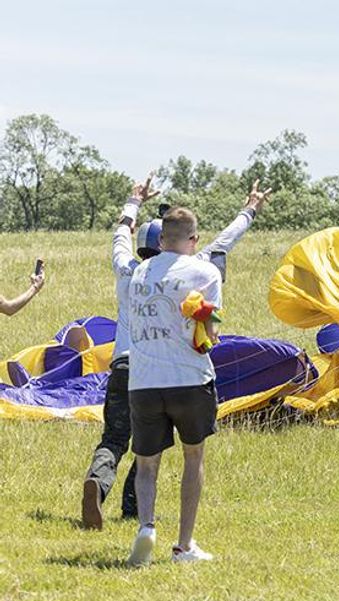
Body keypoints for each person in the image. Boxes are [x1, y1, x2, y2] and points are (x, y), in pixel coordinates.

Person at [81, 177, 266, 531]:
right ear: (173, 242)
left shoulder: (130, 272)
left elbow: (120, 237)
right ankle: (135, 510)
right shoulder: (193, 267)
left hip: (123, 367)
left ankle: (98, 482)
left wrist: (133, 203)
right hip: (167, 369)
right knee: (154, 447)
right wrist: (249, 210)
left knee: (115, 438)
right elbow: (225, 241)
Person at [125, 183, 271, 566]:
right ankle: (183, 545)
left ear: (159, 240)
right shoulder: (204, 272)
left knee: (146, 463)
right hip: (190, 378)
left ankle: (146, 527)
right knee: (193, 458)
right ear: (193, 239)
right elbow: (212, 335)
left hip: (143, 381)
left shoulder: (139, 273)